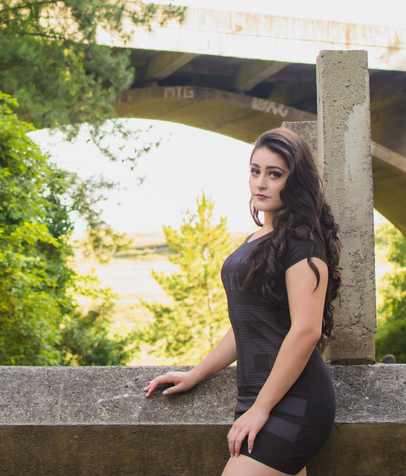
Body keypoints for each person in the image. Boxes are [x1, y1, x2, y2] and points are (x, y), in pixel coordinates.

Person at [143, 127, 342, 476]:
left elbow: (306, 331)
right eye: (255, 171)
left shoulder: (302, 242)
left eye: (274, 174)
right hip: (256, 396)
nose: (260, 183)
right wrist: (196, 373)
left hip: (294, 400)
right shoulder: (258, 239)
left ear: (296, 182)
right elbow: (247, 326)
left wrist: (261, 409)